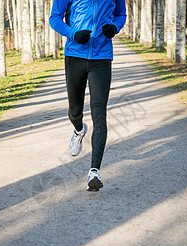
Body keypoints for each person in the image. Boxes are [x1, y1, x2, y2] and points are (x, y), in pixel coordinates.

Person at [49, 0, 126, 192]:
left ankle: (94, 171)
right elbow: (55, 18)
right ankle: (78, 129)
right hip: (75, 54)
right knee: (75, 111)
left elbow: (121, 14)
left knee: (99, 113)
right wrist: (73, 33)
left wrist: (114, 27)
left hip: (102, 58)